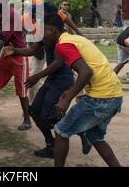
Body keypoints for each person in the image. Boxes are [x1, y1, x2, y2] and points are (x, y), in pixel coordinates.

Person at [42, 14, 123, 167]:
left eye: (41, 31)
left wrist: (67, 99)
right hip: (114, 95)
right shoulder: (74, 39)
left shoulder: (63, 44)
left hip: (101, 99)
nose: (39, 36)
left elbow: (86, 72)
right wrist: (70, 92)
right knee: (95, 137)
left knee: (60, 132)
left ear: (52, 30)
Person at [2, 3, 75, 159]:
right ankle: (51, 145)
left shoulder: (61, 38)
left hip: (62, 80)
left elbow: (58, 63)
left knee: (50, 116)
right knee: (34, 111)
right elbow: (31, 50)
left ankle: (77, 128)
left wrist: (37, 76)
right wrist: (14, 50)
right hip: (52, 79)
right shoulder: (45, 32)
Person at [0, 0, 32, 131]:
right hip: (8, 53)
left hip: (18, 55)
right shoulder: (3, 14)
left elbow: (4, 36)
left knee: (21, 89)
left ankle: (27, 120)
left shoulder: (11, 15)